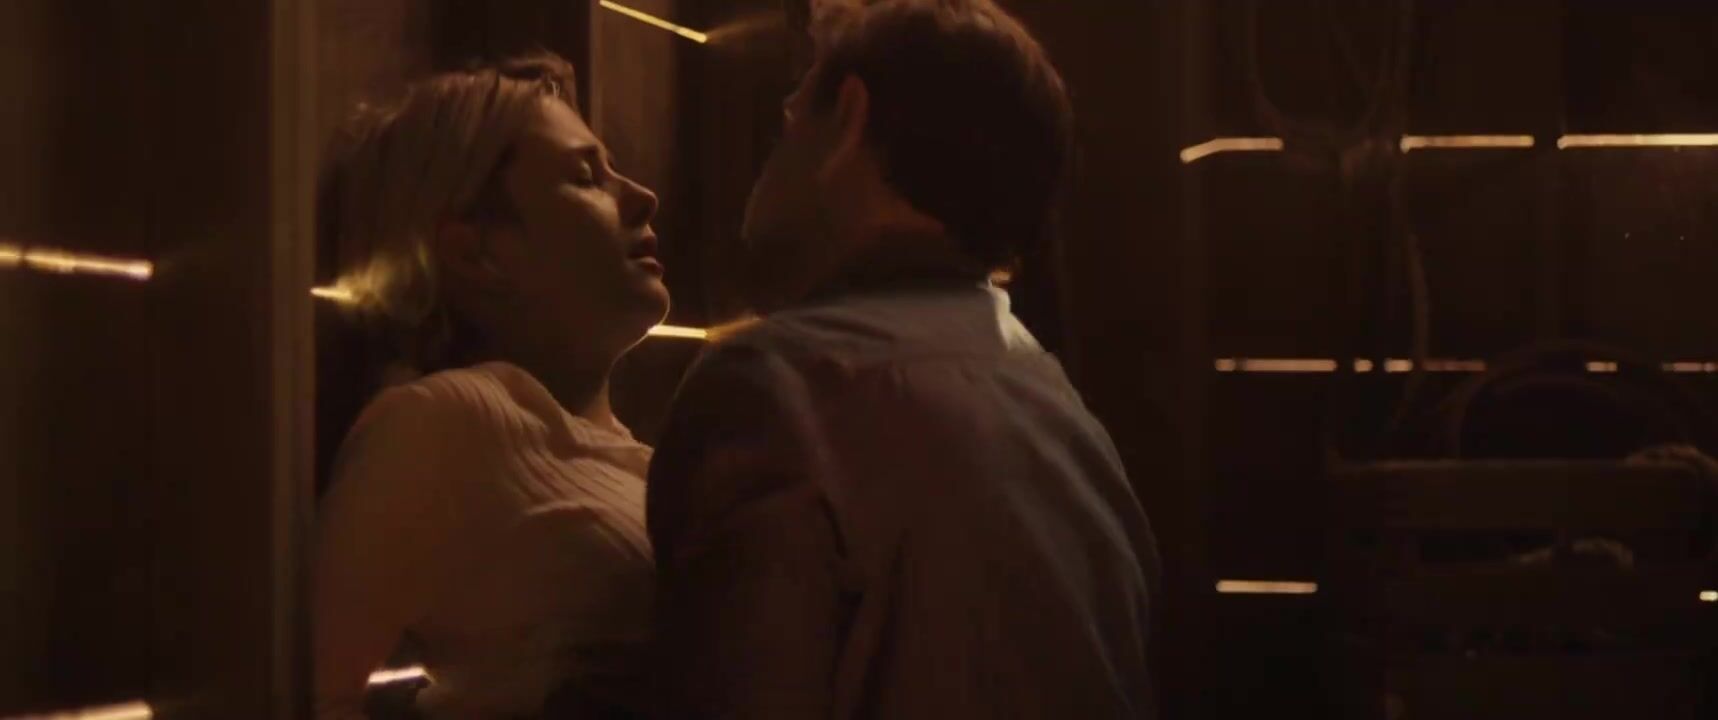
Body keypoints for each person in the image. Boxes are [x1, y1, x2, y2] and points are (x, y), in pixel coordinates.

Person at [646, 1, 1160, 717]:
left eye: (789, 124)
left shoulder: (775, 392)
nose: (769, 164)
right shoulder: (1071, 425)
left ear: (847, 118)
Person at [312, 53, 667, 719]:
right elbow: (303, 692)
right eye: (585, 176)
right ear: (475, 252)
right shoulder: (444, 424)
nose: (642, 197)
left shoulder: (629, 456)